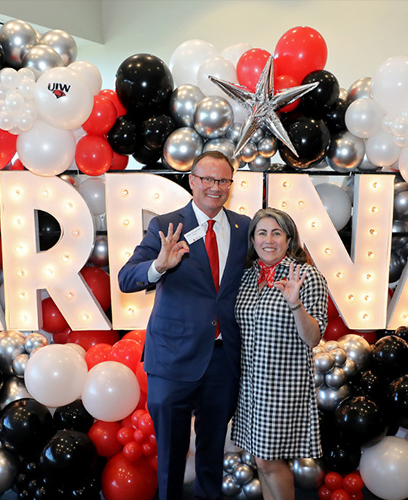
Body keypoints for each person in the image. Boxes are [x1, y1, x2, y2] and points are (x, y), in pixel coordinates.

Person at [118, 151, 250, 500]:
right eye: (207, 179)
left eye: (222, 180)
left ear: (230, 186)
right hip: (173, 358)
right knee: (171, 454)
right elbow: (126, 278)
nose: (214, 187)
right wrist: (158, 266)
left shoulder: (244, 228)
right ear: (191, 181)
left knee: (211, 452)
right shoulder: (165, 225)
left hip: (223, 359)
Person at [232, 208, 328, 500]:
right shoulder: (247, 277)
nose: (269, 240)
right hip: (249, 385)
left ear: (289, 239)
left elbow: (313, 339)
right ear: (253, 239)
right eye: (262, 233)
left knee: (268, 460)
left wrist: (295, 304)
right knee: (260, 460)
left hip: (282, 385)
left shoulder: (306, 276)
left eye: (277, 233)